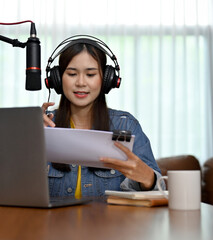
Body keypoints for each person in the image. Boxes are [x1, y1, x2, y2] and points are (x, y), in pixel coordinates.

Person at [42, 36, 164, 198]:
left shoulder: (126, 125)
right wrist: (31, 134)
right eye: (72, 74)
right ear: (56, 80)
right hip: (54, 223)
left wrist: (148, 178)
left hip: (111, 223)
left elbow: (158, 192)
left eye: (90, 74)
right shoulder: (43, 125)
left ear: (106, 79)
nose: (80, 82)